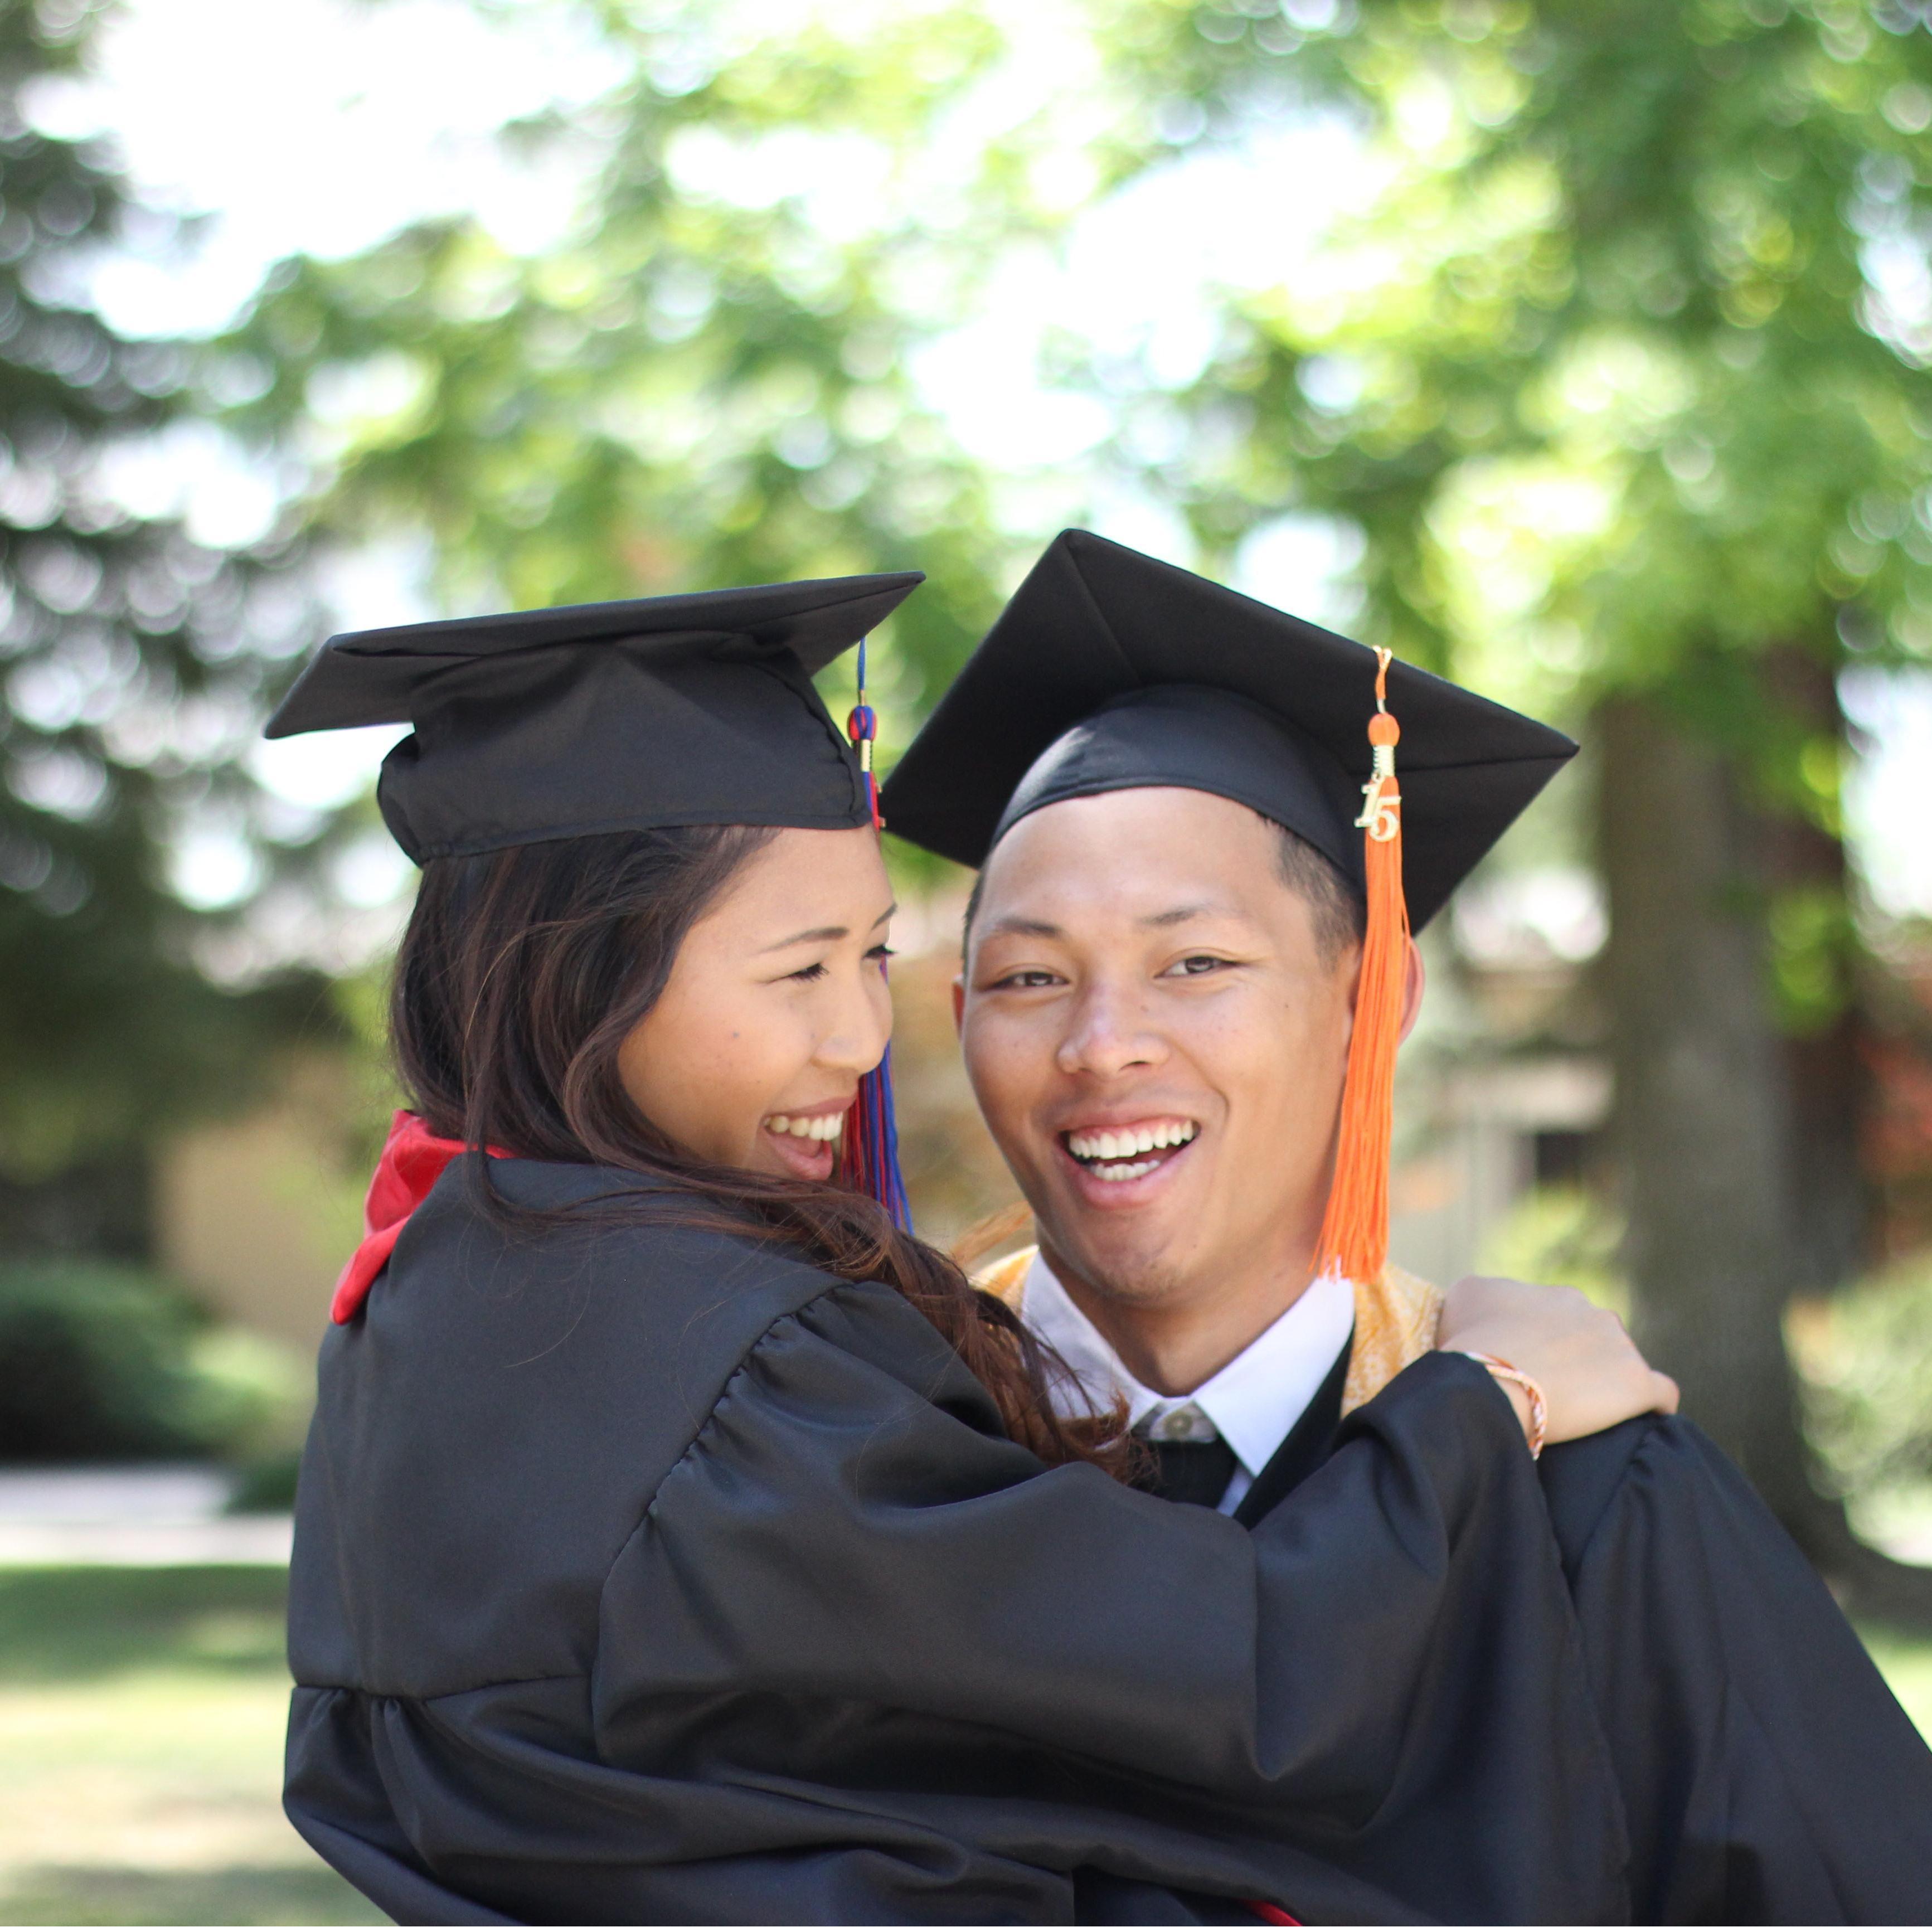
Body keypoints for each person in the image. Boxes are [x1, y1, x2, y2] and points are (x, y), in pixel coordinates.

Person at [271, 569, 1674, 1926]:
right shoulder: (721, 1364)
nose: (859, 1038)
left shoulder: (419, 1314)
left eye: (872, 956)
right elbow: (1245, 1674)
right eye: (798, 966)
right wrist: (1487, 1396)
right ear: (583, 975)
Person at [880, 526, 1932, 1924]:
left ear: (1371, 1000)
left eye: (1195, 961)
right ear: (956, 1019)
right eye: (1028, 977)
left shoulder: (1590, 1500)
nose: (1101, 1043)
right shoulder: (875, 1465)